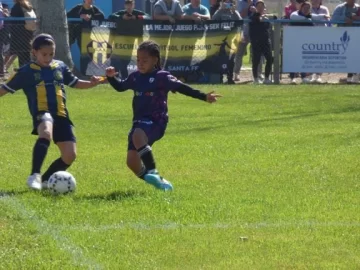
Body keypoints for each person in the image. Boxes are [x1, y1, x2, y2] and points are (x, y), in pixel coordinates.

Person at [105, 40, 222, 191]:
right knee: (132, 163)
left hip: (156, 121)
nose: (140, 63)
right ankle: (160, 183)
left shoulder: (162, 77)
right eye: (138, 60)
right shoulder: (135, 77)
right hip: (139, 122)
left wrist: (203, 96)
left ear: (155, 60)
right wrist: (111, 77)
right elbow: (120, 87)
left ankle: (153, 170)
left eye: (145, 60)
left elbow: (182, 88)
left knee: (138, 134)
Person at [0, 34, 102, 190]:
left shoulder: (60, 66)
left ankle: (46, 180)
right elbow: (4, 89)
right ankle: (34, 175)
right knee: (46, 132)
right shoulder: (26, 72)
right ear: (35, 52)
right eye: (44, 54)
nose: (48, 58)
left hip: (61, 114)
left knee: (70, 155)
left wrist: (92, 83)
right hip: (42, 112)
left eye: (51, 54)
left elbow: (75, 83)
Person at [212, 0, 241, 84]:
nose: (228, 5)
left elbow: (240, 21)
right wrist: (221, 9)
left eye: (230, 3)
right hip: (220, 39)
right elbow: (213, 19)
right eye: (226, 3)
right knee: (221, 58)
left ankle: (230, 78)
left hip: (231, 39)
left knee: (231, 59)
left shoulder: (234, 12)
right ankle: (220, 77)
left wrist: (234, 11)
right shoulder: (219, 11)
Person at [332, 0, 360, 84]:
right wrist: (345, 19)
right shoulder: (340, 8)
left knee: (356, 55)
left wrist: (357, 19)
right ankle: (350, 76)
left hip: (357, 35)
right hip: (344, 36)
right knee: (348, 56)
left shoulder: (358, 8)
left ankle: (354, 75)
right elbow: (334, 18)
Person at [249, 0, 275, 84]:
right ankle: (256, 79)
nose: (260, 8)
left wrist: (266, 17)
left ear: (264, 8)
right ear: (256, 8)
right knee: (256, 61)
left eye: (262, 6)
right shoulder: (252, 16)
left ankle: (266, 78)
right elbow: (257, 19)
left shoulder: (266, 18)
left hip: (265, 41)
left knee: (270, 59)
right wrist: (258, 15)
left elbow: (274, 18)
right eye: (258, 7)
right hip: (256, 42)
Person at [10, 0, 36, 68]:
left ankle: (23, 71)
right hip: (28, 33)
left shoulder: (16, 8)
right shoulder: (28, 6)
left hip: (19, 35)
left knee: (21, 57)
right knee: (27, 54)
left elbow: (14, 23)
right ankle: (29, 69)